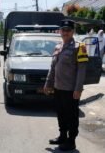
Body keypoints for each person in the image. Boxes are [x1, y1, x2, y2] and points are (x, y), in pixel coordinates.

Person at [44, 19, 88, 151]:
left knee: (71, 116)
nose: (65, 32)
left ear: (73, 32)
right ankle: (62, 136)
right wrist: (48, 83)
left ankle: (71, 141)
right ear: (60, 31)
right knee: (61, 113)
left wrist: (78, 89)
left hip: (71, 90)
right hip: (58, 88)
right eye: (63, 30)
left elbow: (82, 70)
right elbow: (53, 68)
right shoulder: (58, 46)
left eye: (68, 30)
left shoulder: (79, 47)